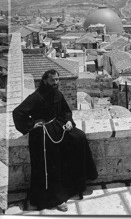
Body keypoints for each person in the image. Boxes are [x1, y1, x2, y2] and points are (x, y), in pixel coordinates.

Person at [13, 69, 98, 211]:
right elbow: (18, 112)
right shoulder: (36, 97)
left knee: (79, 137)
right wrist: (32, 125)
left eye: (57, 80)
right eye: (53, 80)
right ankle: (54, 198)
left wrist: (69, 121)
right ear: (45, 80)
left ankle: (77, 184)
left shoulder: (57, 94)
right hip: (43, 133)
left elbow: (65, 111)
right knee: (50, 160)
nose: (56, 83)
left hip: (58, 126)